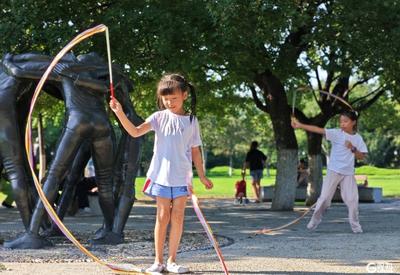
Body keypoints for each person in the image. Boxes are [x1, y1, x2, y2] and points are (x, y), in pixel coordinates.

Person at [110, 73, 213, 274]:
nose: (169, 102)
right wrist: (120, 112)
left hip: (182, 176)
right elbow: (135, 131)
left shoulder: (191, 121)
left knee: (178, 216)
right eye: (166, 99)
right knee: (162, 215)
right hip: (162, 176)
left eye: (174, 98)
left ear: (184, 95)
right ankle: (158, 262)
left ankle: (172, 260)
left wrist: (202, 175)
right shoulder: (158, 117)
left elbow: (195, 151)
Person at [291, 110, 368, 233]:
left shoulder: (358, 138)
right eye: (341, 121)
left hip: (348, 173)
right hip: (333, 171)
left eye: (345, 121)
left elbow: (361, 157)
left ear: (353, 122)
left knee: (352, 200)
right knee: (325, 198)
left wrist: (352, 148)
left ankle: (356, 226)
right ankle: (315, 221)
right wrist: (300, 125)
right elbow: (317, 129)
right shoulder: (336, 133)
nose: (342, 124)